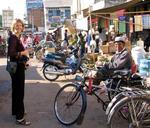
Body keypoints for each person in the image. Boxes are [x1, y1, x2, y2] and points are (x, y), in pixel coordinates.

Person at [7, 19, 31, 125]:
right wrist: (24, 52)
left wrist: (24, 60)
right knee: (19, 92)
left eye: (20, 25)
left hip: (18, 67)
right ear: (13, 26)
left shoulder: (17, 38)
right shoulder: (13, 38)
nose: (18, 27)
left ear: (22, 27)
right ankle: (20, 117)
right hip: (17, 69)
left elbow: (16, 54)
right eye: (16, 25)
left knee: (16, 91)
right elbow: (11, 53)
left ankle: (16, 111)